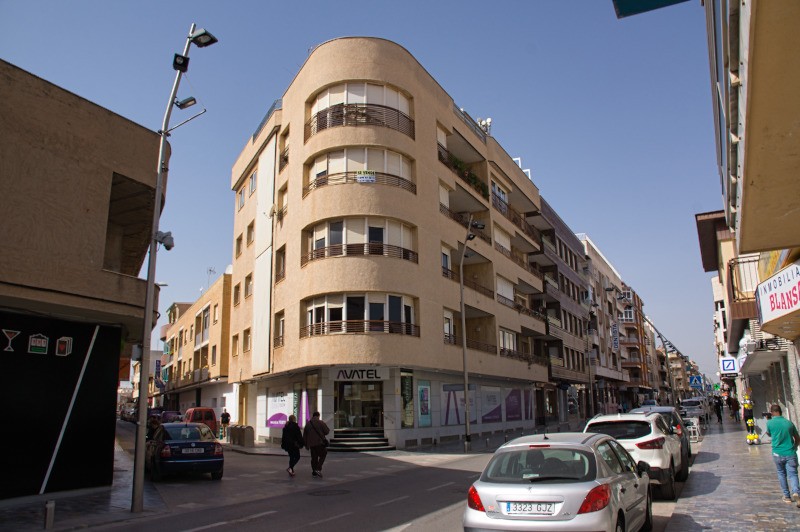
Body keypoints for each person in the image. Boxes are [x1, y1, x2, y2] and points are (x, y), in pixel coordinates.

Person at [765, 404, 800, 506]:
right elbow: (797, 438)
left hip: (777, 453)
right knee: (793, 474)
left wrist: (768, 420)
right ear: (780, 411)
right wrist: (794, 447)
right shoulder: (789, 423)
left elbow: (769, 434)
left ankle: (787, 496)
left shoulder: (770, 423)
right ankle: (796, 492)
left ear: (772, 412)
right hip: (790, 452)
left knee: (781, 473)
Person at [303, 411, 330, 478]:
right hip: (319, 443)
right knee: (323, 454)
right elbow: (327, 431)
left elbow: (305, 435)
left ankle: (314, 472)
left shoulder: (308, 424)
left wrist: (306, 444)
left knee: (314, 458)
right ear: (318, 416)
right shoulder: (320, 422)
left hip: (311, 444)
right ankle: (318, 469)